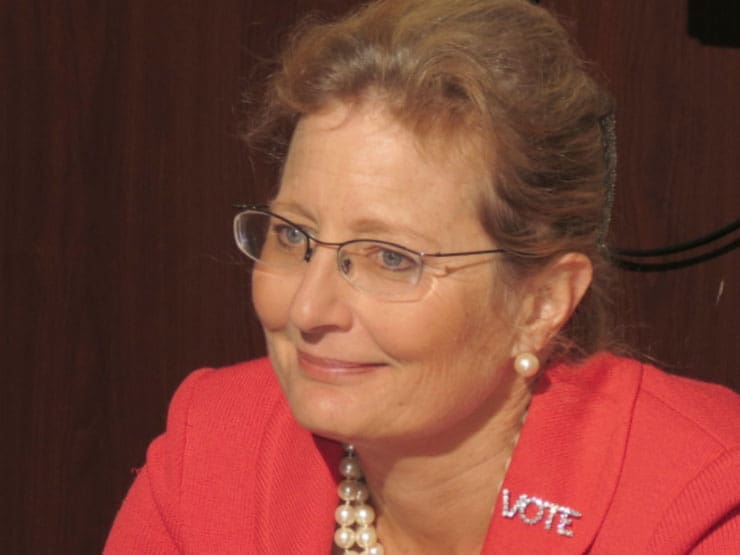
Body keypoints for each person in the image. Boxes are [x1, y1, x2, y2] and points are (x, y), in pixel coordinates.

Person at [105, 0, 740, 553]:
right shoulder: (213, 448)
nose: (307, 310)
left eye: (389, 258)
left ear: (540, 303)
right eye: (294, 236)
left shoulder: (700, 502)